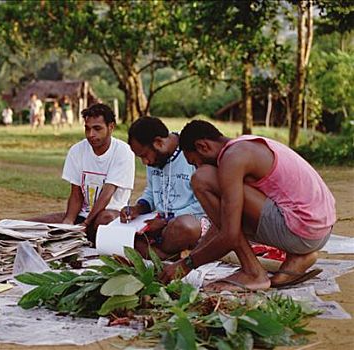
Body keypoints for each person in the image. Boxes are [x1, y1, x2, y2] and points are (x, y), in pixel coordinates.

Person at [159, 120, 336, 291]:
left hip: (300, 231)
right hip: (319, 231)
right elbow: (221, 222)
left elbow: (229, 234)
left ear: (203, 146)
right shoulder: (244, 145)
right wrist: (196, 252)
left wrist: (186, 265)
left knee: (202, 179)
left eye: (195, 162)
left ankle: (253, 272)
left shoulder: (233, 158)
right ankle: (299, 256)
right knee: (230, 213)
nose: (197, 167)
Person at [29, 103, 135, 243]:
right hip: (83, 216)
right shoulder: (77, 150)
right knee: (33, 223)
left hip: (111, 214)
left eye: (97, 128)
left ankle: (83, 239)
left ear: (111, 127)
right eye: (87, 128)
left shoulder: (123, 151)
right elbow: (76, 194)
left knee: (105, 220)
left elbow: (106, 194)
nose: (91, 134)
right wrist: (69, 222)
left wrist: (85, 224)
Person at [120, 117, 207, 260]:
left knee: (186, 227)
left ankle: (157, 254)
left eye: (144, 156)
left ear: (159, 142)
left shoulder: (191, 153)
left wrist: (167, 221)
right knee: (111, 224)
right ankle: (169, 256)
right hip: (159, 225)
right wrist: (138, 208)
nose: (145, 162)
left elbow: (202, 205)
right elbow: (151, 191)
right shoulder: (156, 160)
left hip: (189, 222)